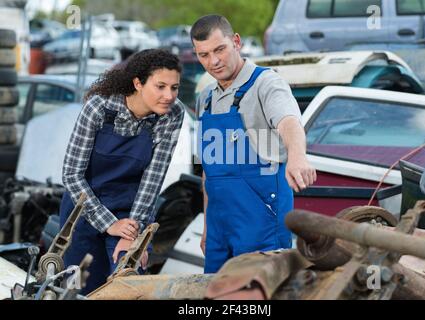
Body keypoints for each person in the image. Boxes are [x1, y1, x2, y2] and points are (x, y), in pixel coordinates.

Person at [192, 15, 317, 273]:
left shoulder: (266, 83)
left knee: (260, 294)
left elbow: (289, 122)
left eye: (219, 49)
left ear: (236, 42)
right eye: (203, 55)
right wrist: (206, 227)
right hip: (218, 228)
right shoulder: (205, 99)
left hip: (261, 224)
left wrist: (297, 156)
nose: (213, 61)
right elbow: (209, 173)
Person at [59, 49, 185, 294]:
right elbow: (72, 174)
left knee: (128, 286)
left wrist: (133, 233)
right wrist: (108, 223)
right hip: (82, 214)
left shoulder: (172, 114)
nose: (169, 96)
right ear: (138, 83)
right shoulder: (99, 108)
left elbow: (153, 178)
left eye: (175, 88)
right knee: (77, 290)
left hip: (132, 212)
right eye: (160, 86)